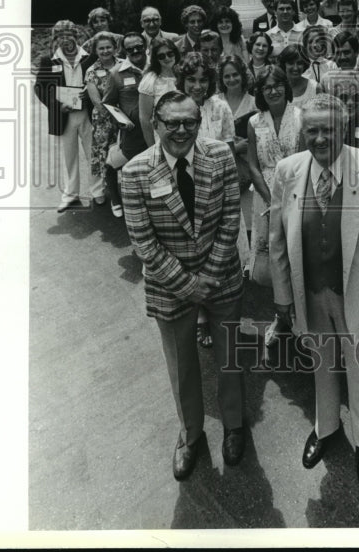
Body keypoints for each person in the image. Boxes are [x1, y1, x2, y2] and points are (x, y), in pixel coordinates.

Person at [269, 94, 359, 485]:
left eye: (328, 129)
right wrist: (283, 297)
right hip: (311, 292)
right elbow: (277, 242)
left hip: (356, 295)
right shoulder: (287, 171)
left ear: (343, 128)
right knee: (321, 363)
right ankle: (325, 427)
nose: (320, 138)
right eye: (312, 130)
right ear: (303, 132)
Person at [122, 91, 246, 478]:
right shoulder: (135, 172)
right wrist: (187, 285)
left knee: (231, 358)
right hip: (169, 285)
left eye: (189, 122)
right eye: (171, 123)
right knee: (181, 365)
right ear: (155, 124)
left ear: (199, 123)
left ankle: (235, 425)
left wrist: (209, 275)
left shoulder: (220, 155)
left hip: (221, 275)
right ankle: (190, 434)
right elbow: (143, 242)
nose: (181, 130)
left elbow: (231, 217)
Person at [175, 52, 238, 348]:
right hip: (185, 187)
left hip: (217, 188)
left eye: (203, 80)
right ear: (182, 80)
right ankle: (200, 316)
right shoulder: (173, 106)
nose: (198, 86)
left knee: (218, 250)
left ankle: (219, 309)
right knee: (192, 254)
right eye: (191, 79)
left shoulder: (220, 106)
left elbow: (229, 147)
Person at [247, 66, 303, 346]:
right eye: (266, 87)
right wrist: (271, 200)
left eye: (277, 85)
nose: (273, 91)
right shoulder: (254, 122)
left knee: (297, 257)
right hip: (265, 196)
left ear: (286, 86)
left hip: (298, 194)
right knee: (274, 260)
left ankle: (302, 319)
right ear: (260, 92)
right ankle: (281, 317)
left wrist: (287, 200)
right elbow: (253, 165)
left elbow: (306, 160)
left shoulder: (301, 116)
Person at [34, 20, 96, 212]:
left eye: (68, 34)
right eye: (60, 36)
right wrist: (57, 106)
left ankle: (98, 191)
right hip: (64, 116)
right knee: (69, 157)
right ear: (55, 39)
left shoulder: (89, 58)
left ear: (75, 36)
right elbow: (40, 88)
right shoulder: (49, 60)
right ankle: (71, 195)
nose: (64, 39)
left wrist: (91, 96)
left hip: (87, 114)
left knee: (94, 153)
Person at [101, 31, 149, 218]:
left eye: (139, 47)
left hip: (158, 129)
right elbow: (108, 103)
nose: (135, 51)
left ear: (145, 46)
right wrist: (120, 120)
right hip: (134, 133)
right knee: (126, 165)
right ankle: (116, 197)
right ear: (124, 51)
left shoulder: (157, 66)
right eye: (130, 49)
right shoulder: (116, 73)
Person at [217, 55, 257, 264]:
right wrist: (233, 146)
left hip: (246, 169)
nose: (231, 79)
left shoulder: (253, 102)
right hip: (221, 168)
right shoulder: (215, 102)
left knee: (247, 220)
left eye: (235, 75)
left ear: (243, 75)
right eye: (227, 76)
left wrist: (244, 146)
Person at [83, 32, 121, 209]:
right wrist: (116, 116)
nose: (105, 51)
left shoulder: (123, 65)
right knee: (102, 154)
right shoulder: (91, 71)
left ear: (115, 48)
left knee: (123, 152)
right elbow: (97, 102)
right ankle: (100, 192)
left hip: (125, 117)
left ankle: (123, 189)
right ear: (96, 51)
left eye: (108, 47)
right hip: (104, 119)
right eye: (101, 48)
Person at [138, 38, 181, 148]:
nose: (167, 58)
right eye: (161, 56)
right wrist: (152, 148)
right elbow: (145, 120)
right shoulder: (150, 80)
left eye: (170, 54)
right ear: (156, 59)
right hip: (163, 136)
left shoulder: (183, 74)